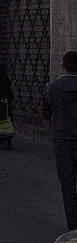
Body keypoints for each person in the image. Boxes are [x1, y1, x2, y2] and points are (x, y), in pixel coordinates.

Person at [44, 52, 77, 231]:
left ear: (63, 65)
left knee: (68, 185)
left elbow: (46, 116)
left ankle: (73, 226)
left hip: (62, 141)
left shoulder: (51, 87)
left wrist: (51, 131)